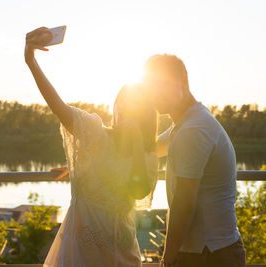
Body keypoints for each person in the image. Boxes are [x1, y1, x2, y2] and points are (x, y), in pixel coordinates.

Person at [24, 27, 159, 267]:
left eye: (132, 106)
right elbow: (58, 106)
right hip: (81, 251)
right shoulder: (94, 133)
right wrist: (31, 61)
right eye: (120, 103)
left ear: (145, 115)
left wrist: (137, 143)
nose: (123, 111)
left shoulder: (147, 154)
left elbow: (138, 191)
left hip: (122, 252)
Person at [142, 54, 246, 267]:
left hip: (209, 255)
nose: (154, 94)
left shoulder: (193, 130)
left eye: (161, 85)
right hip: (210, 250)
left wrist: (167, 260)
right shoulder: (188, 122)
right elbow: (149, 148)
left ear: (183, 82)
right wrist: (90, 152)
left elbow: (184, 204)